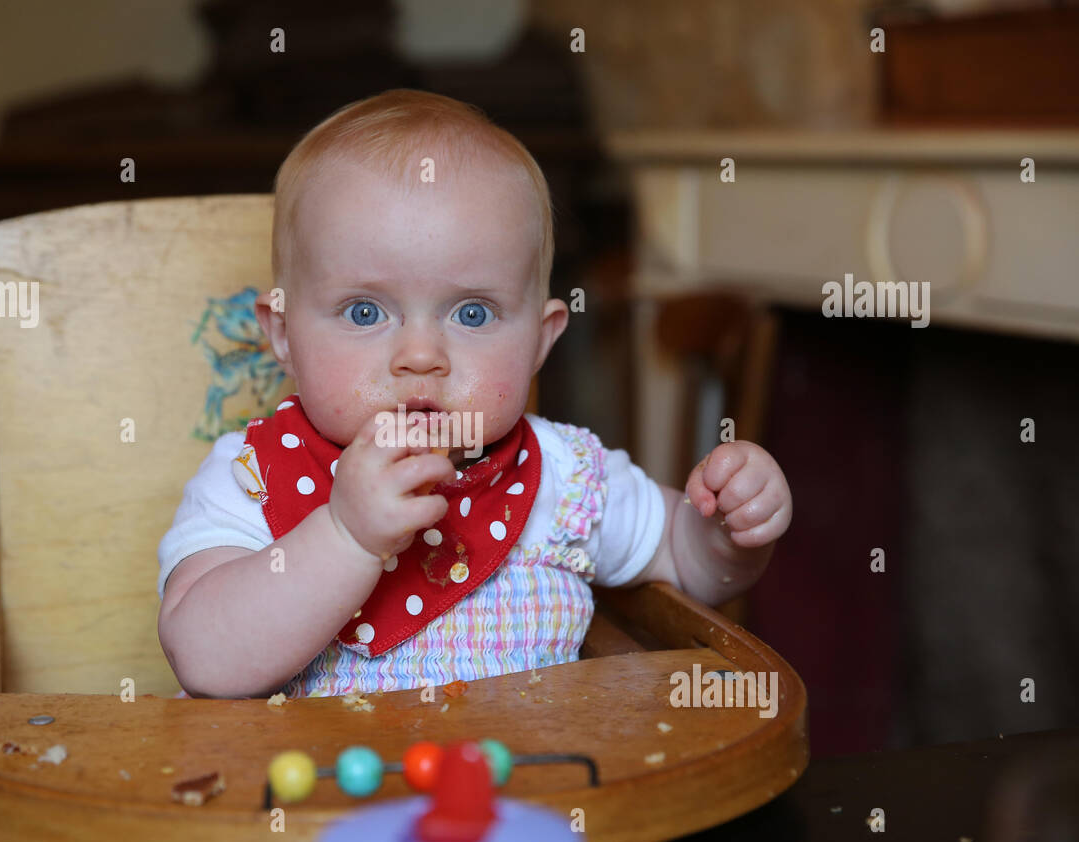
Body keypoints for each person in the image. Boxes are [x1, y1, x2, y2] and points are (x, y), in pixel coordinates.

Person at [156, 89, 792, 700]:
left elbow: (687, 565)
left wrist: (729, 535)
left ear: (539, 342)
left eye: (472, 315)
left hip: (529, 802)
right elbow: (205, 660)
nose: (421, 356)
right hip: (315, 809)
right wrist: (345, 536)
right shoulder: (252, 479)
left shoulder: (564, 478)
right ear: (284, 334)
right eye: (363, 311)